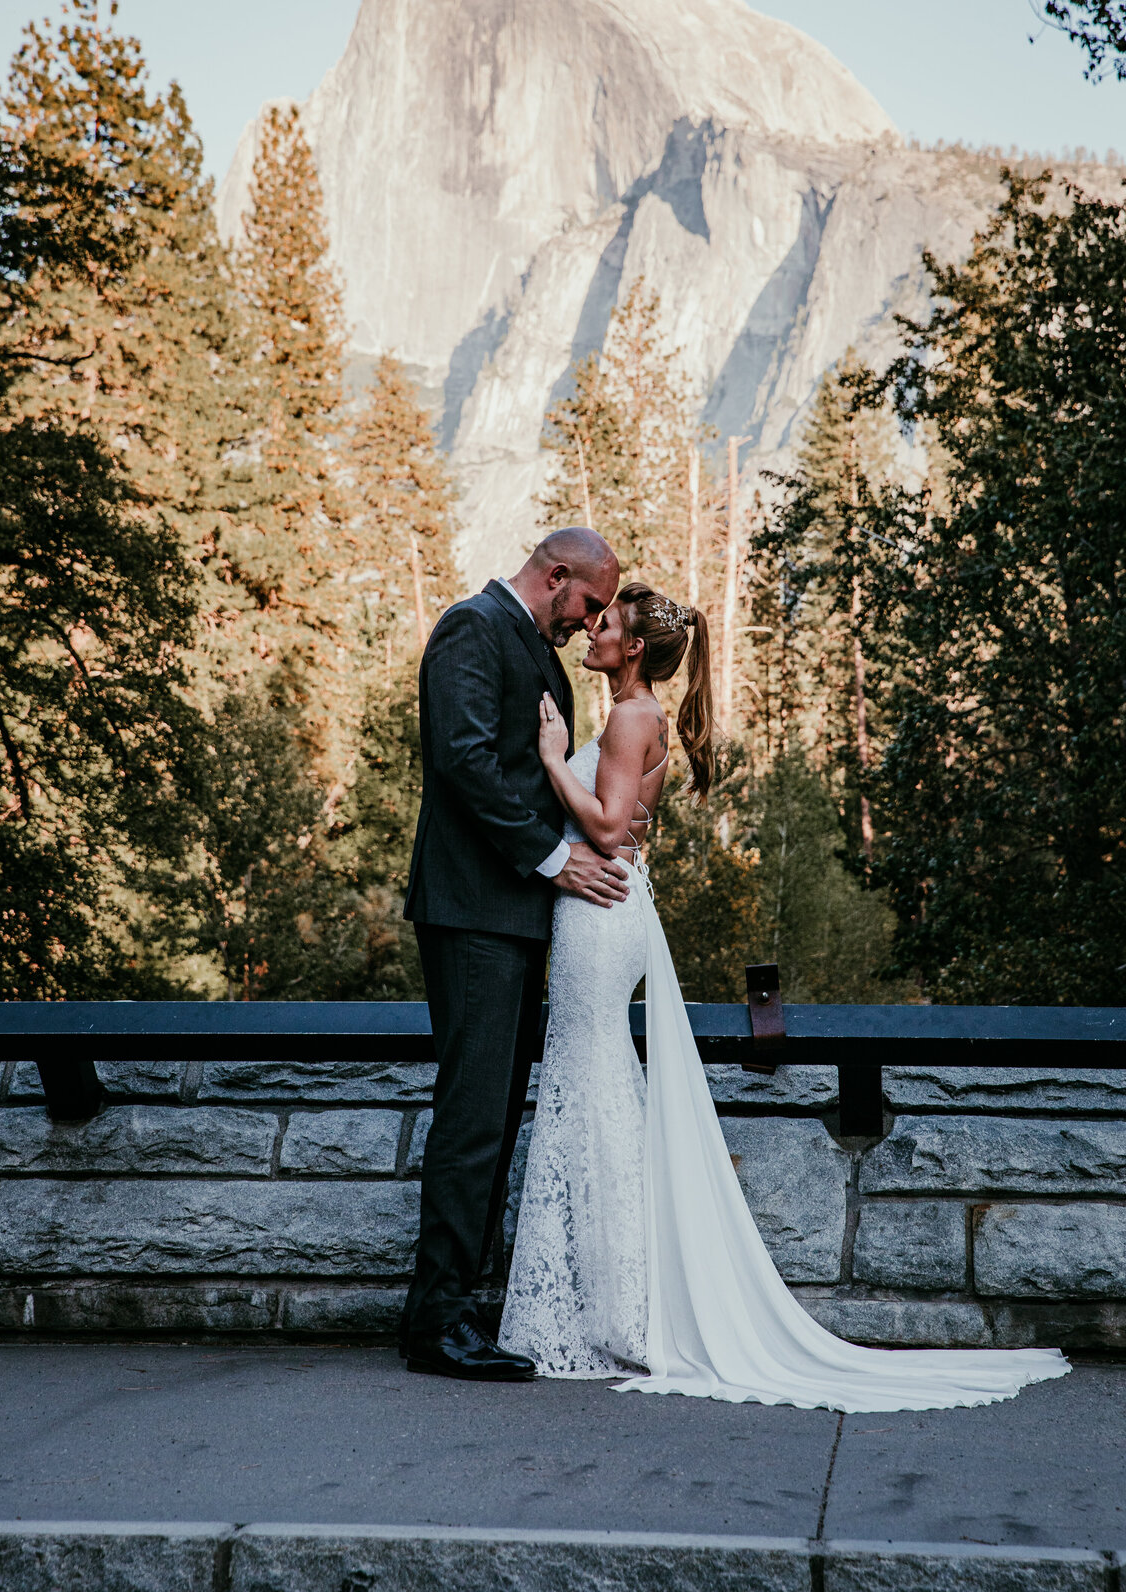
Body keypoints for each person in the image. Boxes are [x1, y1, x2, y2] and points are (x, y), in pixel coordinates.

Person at [499, 582, 1072, 1411]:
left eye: (607, 623)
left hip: (602, 917)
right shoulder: (634, 714)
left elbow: (611, 828)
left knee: (591, 1090)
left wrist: (553, 762)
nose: (591, 630)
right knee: (595, 1091)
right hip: (608, 913)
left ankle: (619, 1313)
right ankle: (610, 1303)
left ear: (632, 649)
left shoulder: (631, 717)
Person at [400, 528, 624, 1380]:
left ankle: (454, 1313)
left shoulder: (531, 645)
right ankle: (439, 1324)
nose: (591, 621)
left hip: (514, 918)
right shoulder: (471, 627)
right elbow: (459, 759)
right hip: (472, 913)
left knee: (492, 1117)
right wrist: (555, 856)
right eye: (591, 604)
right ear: (556, 575)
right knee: (473, 1115)